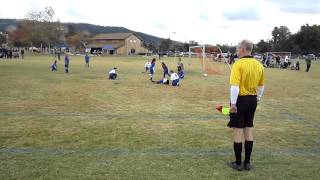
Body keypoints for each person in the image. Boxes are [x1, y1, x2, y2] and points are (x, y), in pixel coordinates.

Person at [228, 40, 265, 171]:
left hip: (240, 100)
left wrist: (233, 104)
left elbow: (234, 87)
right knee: (248, 129)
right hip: (252, 100)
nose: (237, 51)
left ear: (243, 49)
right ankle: (247, 163)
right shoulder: (259, 65)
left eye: (238, 49)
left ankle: (238, 164)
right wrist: (257, 98)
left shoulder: (238, 64)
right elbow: (261, 86)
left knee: (238, 131)